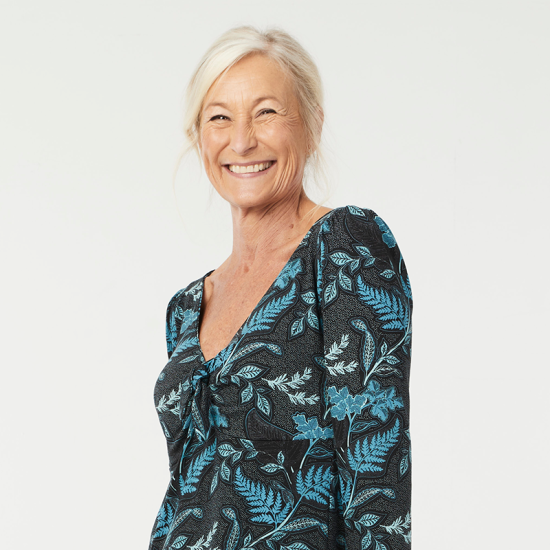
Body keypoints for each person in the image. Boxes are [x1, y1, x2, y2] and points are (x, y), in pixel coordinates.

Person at [150, 26, 413, 550]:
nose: (241, 140)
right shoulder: (187, 307)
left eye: (266, 112)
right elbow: (188, 491)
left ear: (312, 124)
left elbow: (376, 484)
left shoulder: (343, 245)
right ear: (198, 137)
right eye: (219, 117)